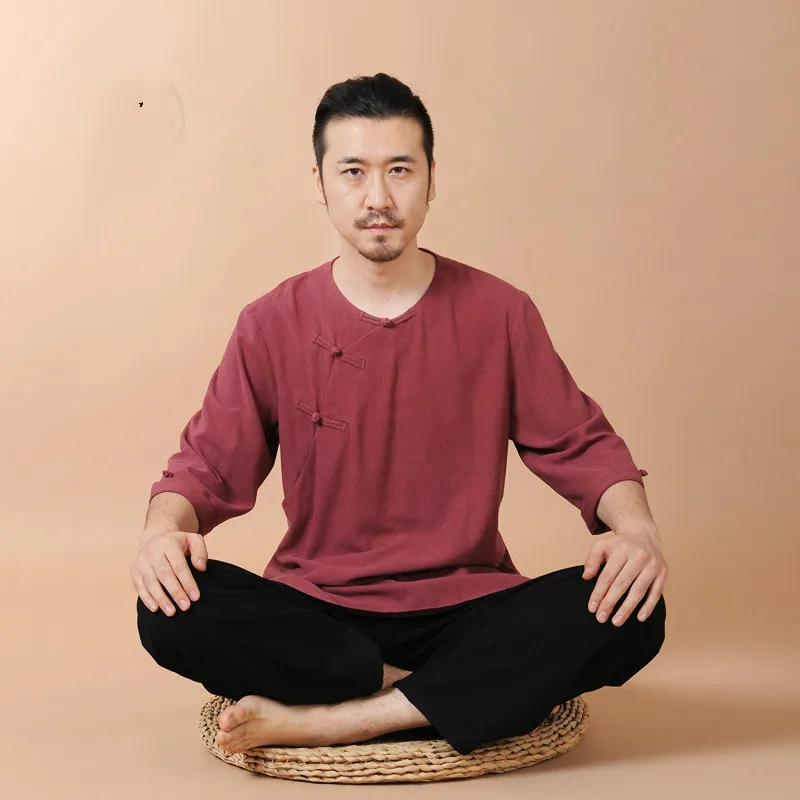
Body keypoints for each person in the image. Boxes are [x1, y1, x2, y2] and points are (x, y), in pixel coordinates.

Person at [132, 72, 668, 757]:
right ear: (321, 183)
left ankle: (348, 717)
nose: (378, 198)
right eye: (353, 171)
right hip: (319, 610)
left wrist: (638, 530)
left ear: (432, 179)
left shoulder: (500, 312)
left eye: (400, 170)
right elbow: (206, 466)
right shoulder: (271, 322)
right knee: (169, 608)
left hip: (468, 605)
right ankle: (440, 697)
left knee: (635, 610)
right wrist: (162, 533)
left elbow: (580, 443)